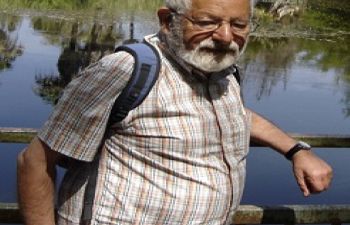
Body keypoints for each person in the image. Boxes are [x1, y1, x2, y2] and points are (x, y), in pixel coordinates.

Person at [17, 0, 333, 224]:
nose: (226, 36)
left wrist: (295, 150)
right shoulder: (124, 70)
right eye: (208, 22)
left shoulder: (223, 73)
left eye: (239, 24)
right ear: (168, 21)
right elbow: (34, 162)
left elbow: (238, 115)